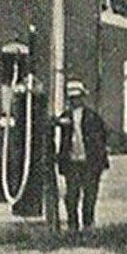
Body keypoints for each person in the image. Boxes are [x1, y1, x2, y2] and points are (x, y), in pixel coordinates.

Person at [54, 80, 110, 233]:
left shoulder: (92, 117)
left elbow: (103, 136)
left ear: (82, 98)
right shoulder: (65, 117)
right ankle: (73, 224)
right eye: (71, 98)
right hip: (72, 161)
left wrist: (99, 157)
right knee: (71, 195)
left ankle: (88, 223)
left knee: (90, 194)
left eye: (77, 98)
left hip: (90, 161)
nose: (74, 101)